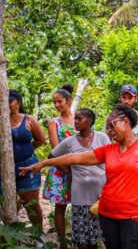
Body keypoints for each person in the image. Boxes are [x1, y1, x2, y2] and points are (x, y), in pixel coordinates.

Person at [20, 104, 138, 249]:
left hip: (133, 217)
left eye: (112, 126)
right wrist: (43, 163)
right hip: (107, 215)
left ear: (126, 122)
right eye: (108, 127)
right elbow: (75, 157)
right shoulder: (109, 150)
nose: (109, 131)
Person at [49, 109, 110, 249]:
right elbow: (52, 157)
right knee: (83, 239)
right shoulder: (69, 142)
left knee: (105, 235)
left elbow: (111, 159)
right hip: (80, 195)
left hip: (101, 195)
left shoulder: (102, 138)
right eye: (75, 118)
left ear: (89, 121)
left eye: (79, 119)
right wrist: (68, 172)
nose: (75, 122)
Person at [2, 90, 45, 238]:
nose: (6, 104)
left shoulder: (29, 120)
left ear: (18, 103)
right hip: (4, 170)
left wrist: (26, 153)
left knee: (32, 205)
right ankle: (10, 236)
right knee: (6, 205)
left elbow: (41, 140)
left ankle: (39, 236)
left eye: (9, 101)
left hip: (28, 168)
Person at [42, 84, 75, 248]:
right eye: (55, 102)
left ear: (68, 100)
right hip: (61, 170)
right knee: (60, 207)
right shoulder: (53, 122)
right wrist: (67, 171)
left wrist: (76, 171)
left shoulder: (79, 119)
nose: (57, 105)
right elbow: (56, 149)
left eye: (60, 101)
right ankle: (62, 243)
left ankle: (79, 239)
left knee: (80, 206)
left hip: (78, 169)